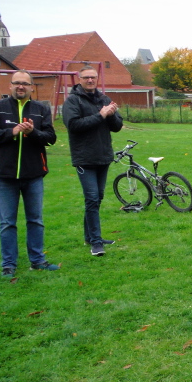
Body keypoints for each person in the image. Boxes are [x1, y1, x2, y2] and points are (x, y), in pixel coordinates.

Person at [0, 71, 58, 278]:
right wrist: (11, 133)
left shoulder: (41, 109)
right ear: (10, 85)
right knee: (7, 223)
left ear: (31, 87)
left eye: (25, 84)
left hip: (34, 174)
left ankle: (37, 260)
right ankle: (8, 264)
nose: (21, 87)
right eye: (17, 83)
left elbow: (51, 137)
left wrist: (32, 132)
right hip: (5, 174)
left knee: (35, 220)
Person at [62, 66, 123, 257]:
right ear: (79, 79)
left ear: (97, 79)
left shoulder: (103, 99)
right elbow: (73, 125)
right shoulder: (73, 101)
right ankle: (96, 242)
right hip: (84, 158)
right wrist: (100, 115)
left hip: (103, 156)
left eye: (93, 77)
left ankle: (90, 236)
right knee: (92, 198)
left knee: (97, 198)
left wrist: (111, 115)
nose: (90, 80)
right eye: (86, 77)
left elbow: (117, 126)